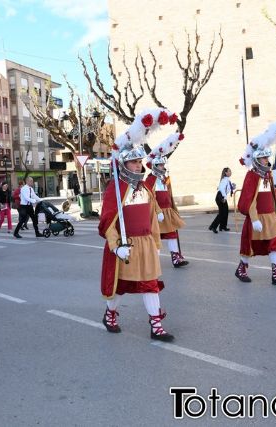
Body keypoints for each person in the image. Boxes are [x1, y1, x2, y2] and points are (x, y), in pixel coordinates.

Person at [99, 108, 176, 341]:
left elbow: (151, 216)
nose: (138, 165)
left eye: (139, 161)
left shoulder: (144, 188)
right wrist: (116, 246)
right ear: (123, 164)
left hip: (145, 244)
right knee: (120, 285)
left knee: (150, 284)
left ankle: (156, 326)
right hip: (125, 245)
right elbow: (107, 222)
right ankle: (110, 314)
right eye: (133, 162)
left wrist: (154, 240)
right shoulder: (116, 188)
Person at [236, 120, 276, 286]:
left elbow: (274, 196)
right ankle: (241, 268)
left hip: (270, 217)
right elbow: (248, 198)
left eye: (267, 157)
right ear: (256, 160)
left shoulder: (269, 175)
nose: (267, 160)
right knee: (250, 245)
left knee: (275, 244)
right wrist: (254, 218)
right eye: (263, 158)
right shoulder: (252, 176)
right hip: (257, 218)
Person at [144, 132, 189, 268]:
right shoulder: (150, 180)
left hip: (168, 211)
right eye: (161, 166)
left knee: (172, 234)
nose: (163, 168)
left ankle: (176, 258)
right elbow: (150, 198)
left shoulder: (164, 179)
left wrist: (174, 209)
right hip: (157, 213)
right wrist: (157, 212)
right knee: (155, 237)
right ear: (155, 166)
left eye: (163, 165)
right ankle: (154, 261)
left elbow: (169, 195)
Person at [209, 167, 235, 233]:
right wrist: (224, 198)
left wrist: (233, 187)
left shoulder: (227, 180)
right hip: (220, 197)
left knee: (225, 212)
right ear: (226, 173)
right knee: (222, 213)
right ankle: (213, 227)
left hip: (222, 197)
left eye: (230, 171)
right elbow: (221, 189)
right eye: (229, 171)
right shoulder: (224, 180)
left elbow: (227, 189)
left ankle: (223, 227)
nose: (230, 172)